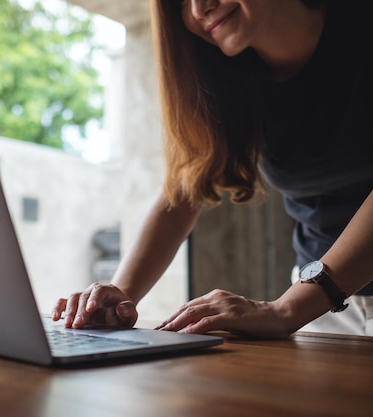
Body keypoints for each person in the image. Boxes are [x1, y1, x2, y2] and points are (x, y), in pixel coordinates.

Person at [51, 0, 373, 337]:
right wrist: (118, 298)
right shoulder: (234, 79)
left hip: (309, 300)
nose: (198, 8)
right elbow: (181, 197)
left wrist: (286, 309)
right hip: (323, 309)